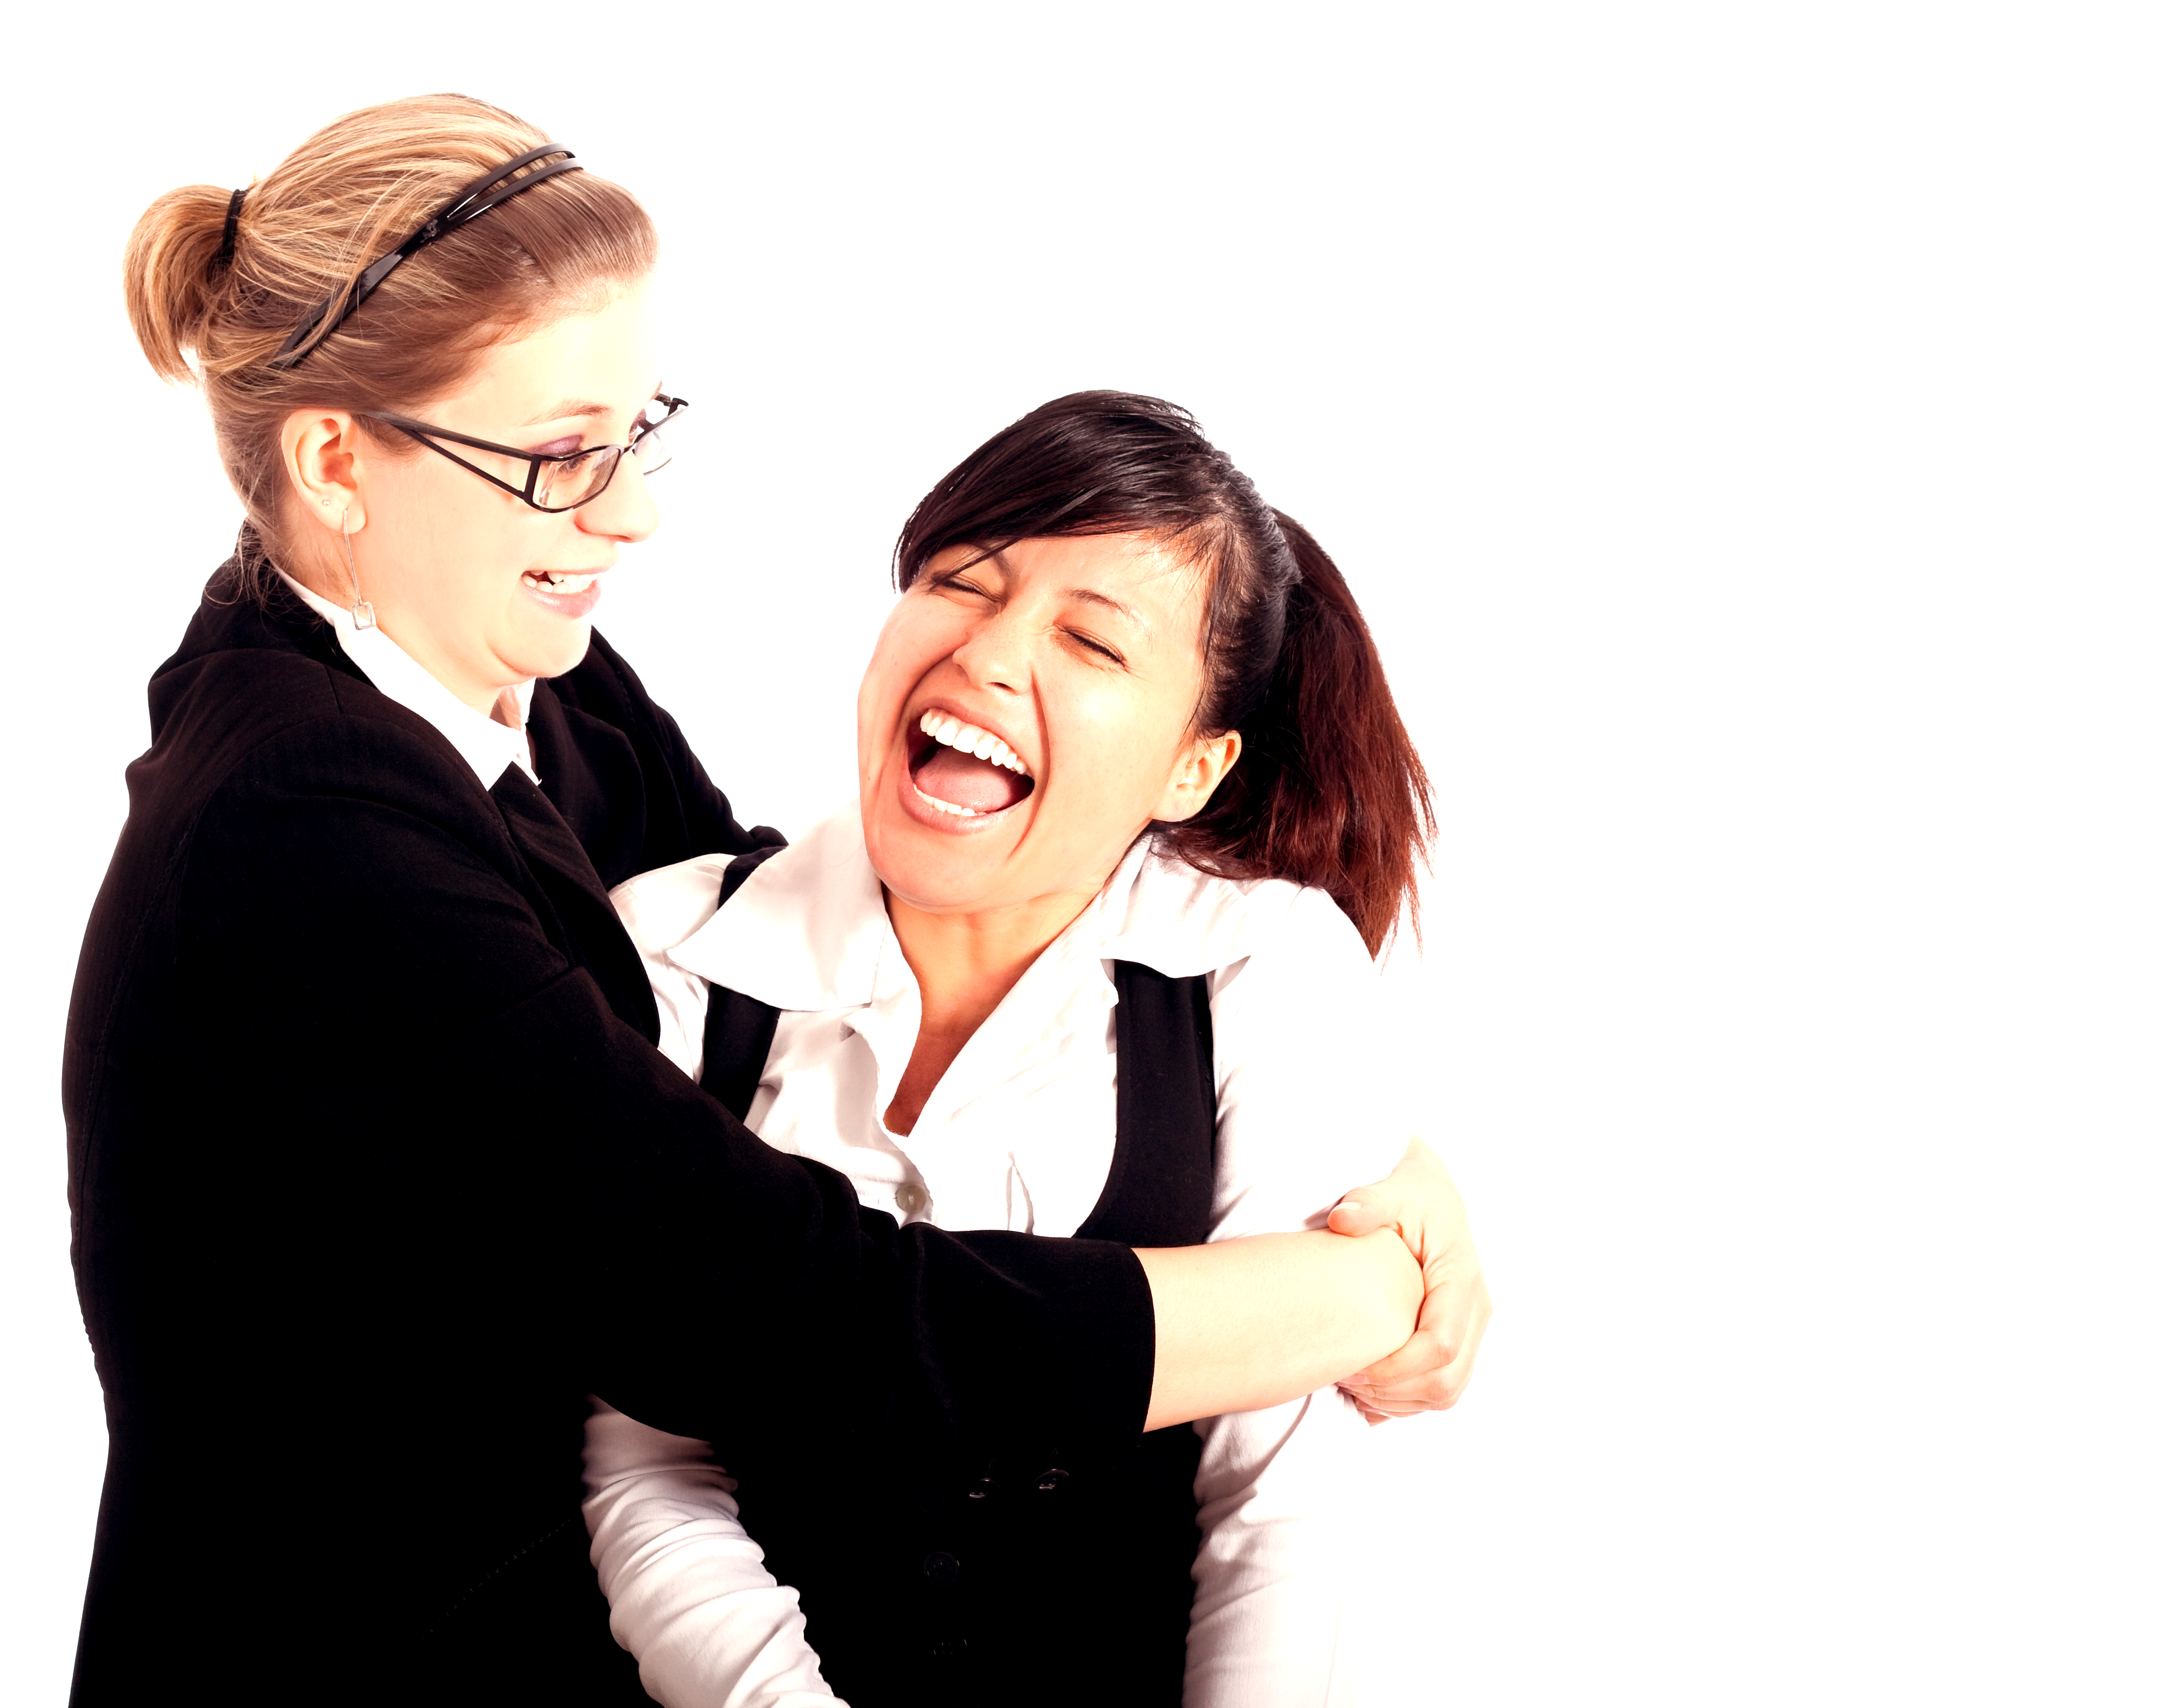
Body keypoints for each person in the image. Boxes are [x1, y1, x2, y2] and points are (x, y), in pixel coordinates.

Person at [73, 93, 1489, 1703]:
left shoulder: (520, 678)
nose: (632, 511)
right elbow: (797, 1326)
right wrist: (1362, 1285)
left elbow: (779, 913)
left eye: (635, 428)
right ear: (334, 460)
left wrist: (1365, 1138)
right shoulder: (302, 820)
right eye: (557, 455)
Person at [584, 393, 1436, 1706]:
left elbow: (1277, 1500)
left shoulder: (1263, 968)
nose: (987, 656)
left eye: (1092, 642)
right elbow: (651, 1464)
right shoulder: (675, 950)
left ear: (1194, 768)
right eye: (959, 584)